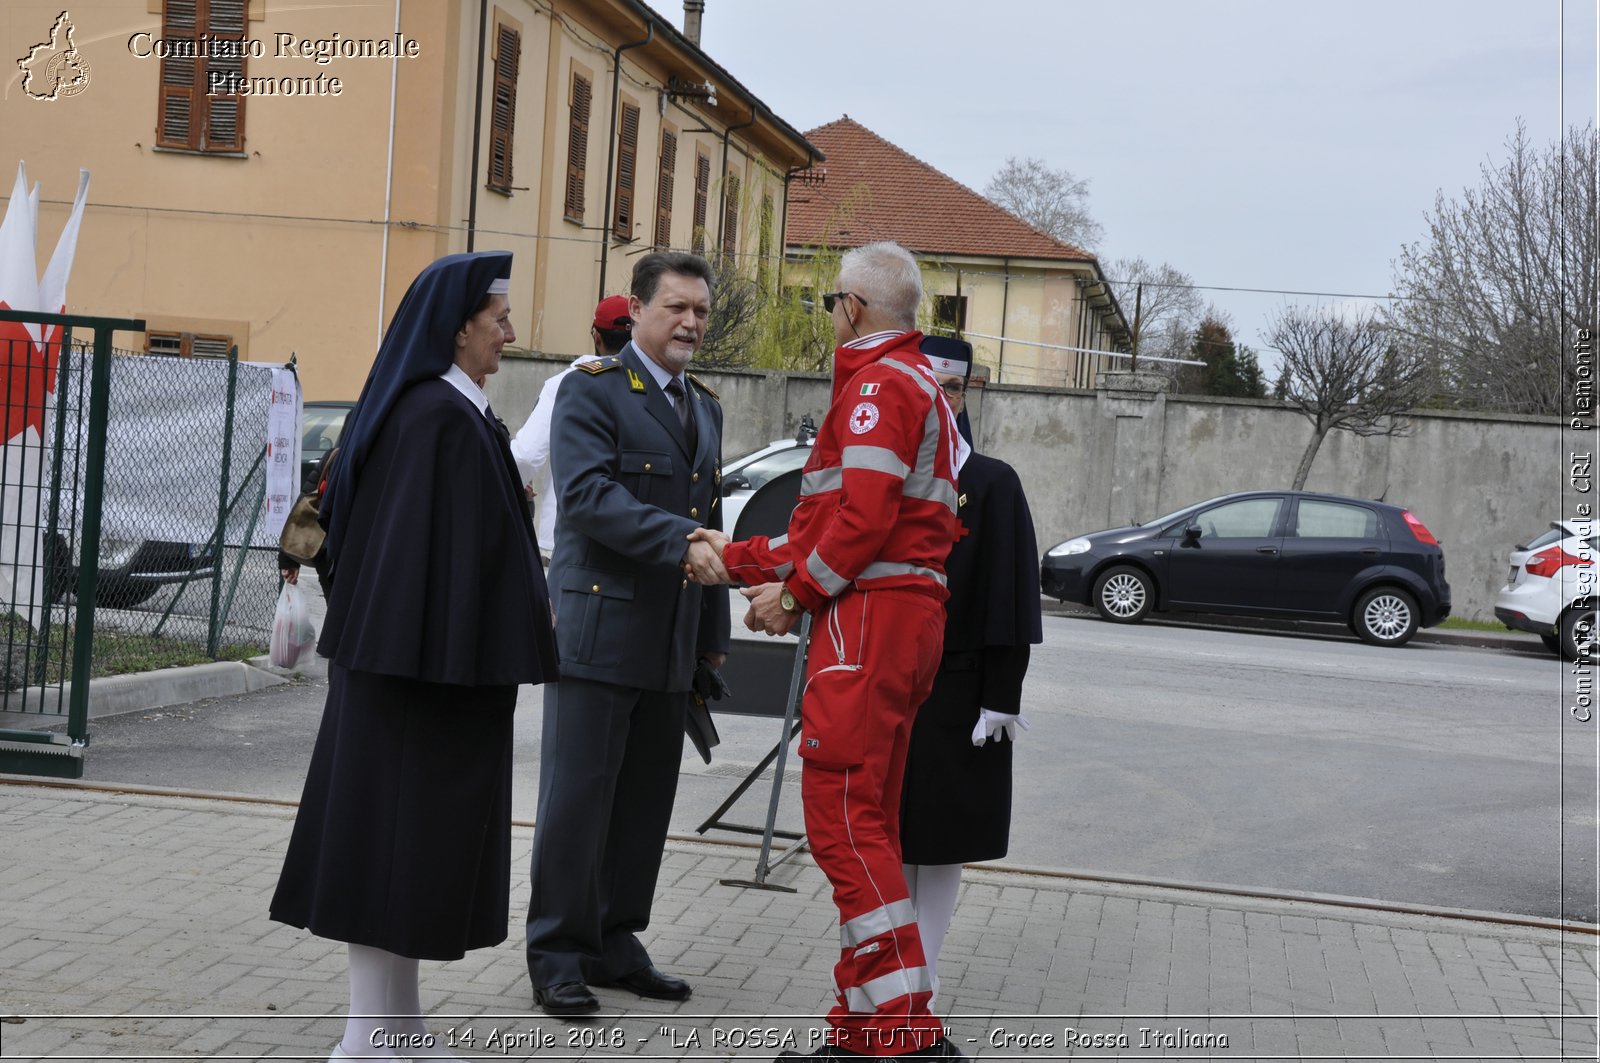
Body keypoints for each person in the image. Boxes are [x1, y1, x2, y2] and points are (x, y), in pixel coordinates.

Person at [269, 251, 558, 1062]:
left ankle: (400, 1029)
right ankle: (366, 1040)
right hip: (415, 678)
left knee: (405, 860)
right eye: (496, 314)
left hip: (427, 673)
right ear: (456, 325)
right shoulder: (434, 417)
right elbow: (420, 560)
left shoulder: (445, 411)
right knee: (384, 857)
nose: (509, 329)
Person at [688, 241, 966, 1061]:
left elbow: (863, 521)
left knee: (844, 828)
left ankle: (904, 1035)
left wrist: (797, 594)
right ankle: (859, 1030)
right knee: (866, 824)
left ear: (851, 306)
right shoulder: (920, 385)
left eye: (830, 304)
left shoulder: (879, 385)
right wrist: (732, 559)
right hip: (896, 619)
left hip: (869, 624)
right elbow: (829, 526)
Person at [524, 251, 730, 1017]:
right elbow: (585, 497)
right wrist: (680, 541)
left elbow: (712, 516)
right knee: (578, 801)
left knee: (644, 803)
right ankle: (556, 951)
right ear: (637, 311)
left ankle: (616, 940)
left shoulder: (704, 408)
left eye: (701, 311)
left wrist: (713, 636)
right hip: (599, 630)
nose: (691, 323)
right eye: (676, 307)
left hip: (670, 639)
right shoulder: (591, 390)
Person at [898, 336, 1043, 1003]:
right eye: (927, 385)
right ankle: (890, 963)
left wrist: (1001, 695)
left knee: (943, 837)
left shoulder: (990, 482)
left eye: (950, 389)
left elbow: (1009, 597)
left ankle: (923, 969)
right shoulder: (881, 471)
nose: (938, 399)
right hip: (885, 683)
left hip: (957, 690)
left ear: (964, 396)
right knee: (889, 835)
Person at [509, 294, 633, 558]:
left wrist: (512, 484)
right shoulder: (659, 390)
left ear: (596, 337)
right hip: (638, 537)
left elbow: (526, 455)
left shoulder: (564, 384)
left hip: (572, 537)